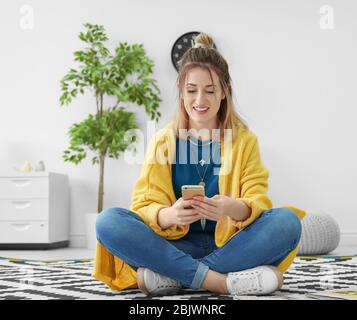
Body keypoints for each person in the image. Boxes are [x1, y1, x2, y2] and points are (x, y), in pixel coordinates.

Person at [93, 33, 305, 296]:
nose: (200, 100)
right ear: (182, 93)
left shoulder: (244, 141)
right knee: (108, 222)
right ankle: (220, 282)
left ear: (225, 92)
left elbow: (257, 199)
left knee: (287, 222)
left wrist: (231, 208)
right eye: (191, 91)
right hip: (175, 246)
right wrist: (168, 215)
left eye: (210, 90)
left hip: (231, 246)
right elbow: (144, 206)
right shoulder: (163, 141)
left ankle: (175, 276)